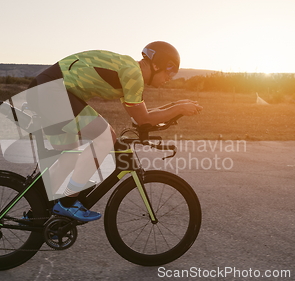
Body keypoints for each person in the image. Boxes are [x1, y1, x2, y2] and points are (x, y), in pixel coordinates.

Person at [27, 41, 202, 222]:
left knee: (71, 153)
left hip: (44, 89)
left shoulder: (129, 70)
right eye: (170, 71)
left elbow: (140, 118)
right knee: (105, 137)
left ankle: (38, 211)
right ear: (156, 65)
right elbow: (143, 120)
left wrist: (177, 106)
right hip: (51, 90)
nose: (170, 77)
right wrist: (179, 109)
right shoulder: (133, 73)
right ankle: (67, 204)